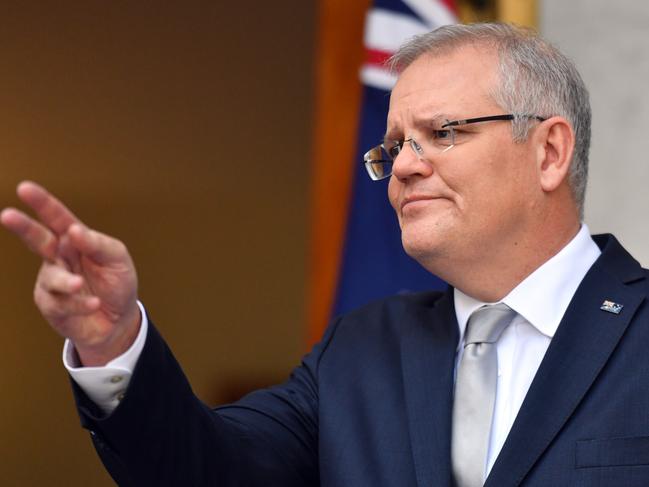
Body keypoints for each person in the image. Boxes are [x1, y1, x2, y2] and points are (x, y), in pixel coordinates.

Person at [2, 22, 648, 487]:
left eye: (442, 133)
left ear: (549, 151)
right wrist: (114, 341)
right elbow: (205, 468)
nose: (403, 169)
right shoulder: (363, 346)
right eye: (394, 147)